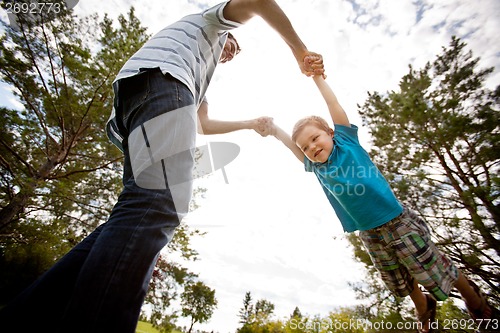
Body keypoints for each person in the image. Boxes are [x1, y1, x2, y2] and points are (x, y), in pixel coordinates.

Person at [0, 1, 324, 332]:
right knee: (158, 202)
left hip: (145, 94)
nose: (231, 52)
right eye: (233, 45)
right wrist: (300, 51)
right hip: (163, 82)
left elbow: (203, 124)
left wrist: (249, 123)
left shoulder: (200, 73)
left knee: (137, 210)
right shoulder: (210, 24)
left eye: (235, 54)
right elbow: (257, 3)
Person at [262, 72, 498, 333]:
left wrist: (317, 77)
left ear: (330, 132)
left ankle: (472, 298)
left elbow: (334, 105)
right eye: (306, 147)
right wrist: (274, 131)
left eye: (315, 138)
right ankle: (423, 306)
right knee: (398, 280)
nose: (312, 147)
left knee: (431, 264)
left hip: (397, 221)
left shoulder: (346, 143)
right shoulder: (317, 168)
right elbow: (291, 146)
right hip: (369, 233)